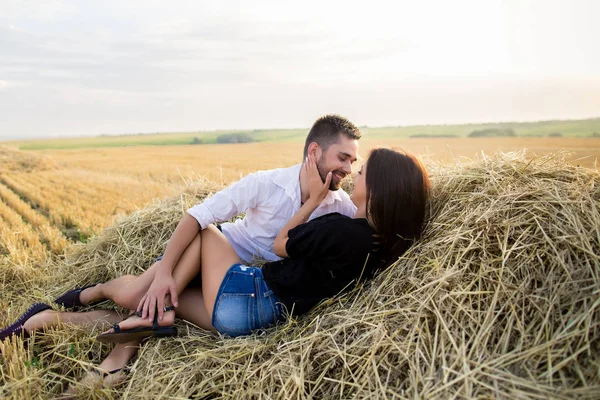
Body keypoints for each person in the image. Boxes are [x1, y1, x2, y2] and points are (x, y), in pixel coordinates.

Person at [0, 147, 430, 395]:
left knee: (207, 233)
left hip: (248, 298)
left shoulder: (343, 230)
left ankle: (130, 318)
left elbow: (281, 244)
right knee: (148, 312)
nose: (353, 175)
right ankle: (65, 322)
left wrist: (313, 201)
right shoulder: (379, 246)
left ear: (378, 188)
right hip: (251, 323)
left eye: (362, 171)